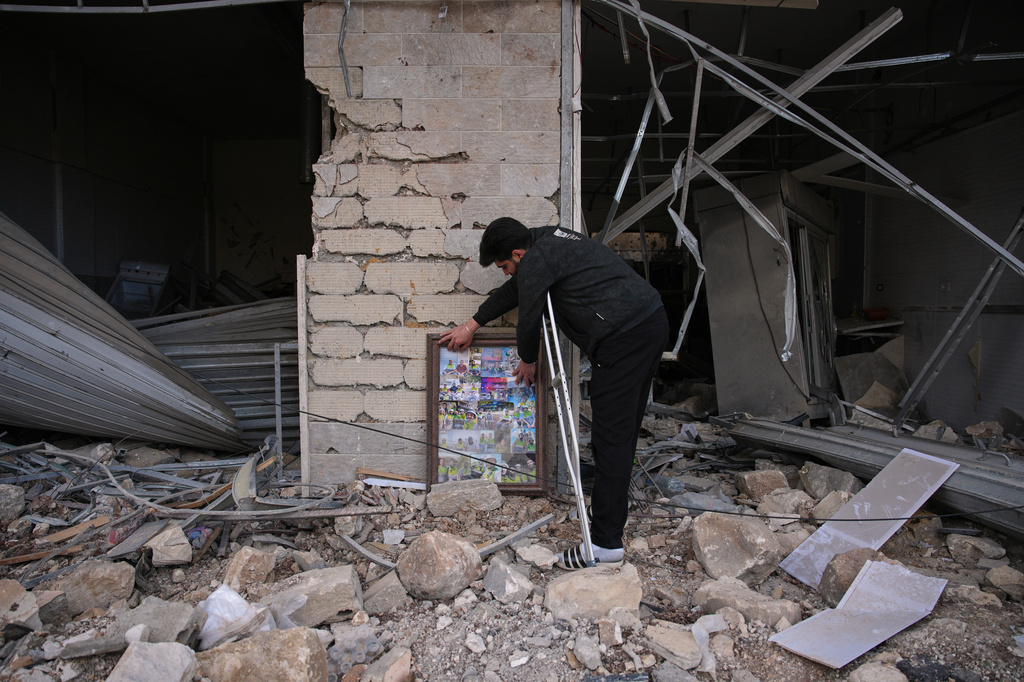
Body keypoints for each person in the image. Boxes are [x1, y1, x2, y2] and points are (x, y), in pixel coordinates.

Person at [439, 217, 668, 570]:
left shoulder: (538, 258)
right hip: (647, 321)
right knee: (620, 435)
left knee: (611, 440)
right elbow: (519, 289)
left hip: (624, 339)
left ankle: (606, 545)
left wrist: (529, 360)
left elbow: (528, 318)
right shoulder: (545, 240)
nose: (504, 273)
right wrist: (473, 323)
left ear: (517, 253)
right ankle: (608, 514)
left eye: (504, 266)